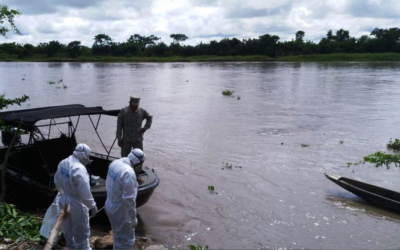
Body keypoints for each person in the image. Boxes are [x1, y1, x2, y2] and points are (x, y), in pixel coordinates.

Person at [54, 143, 98, 250]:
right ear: (83, 155)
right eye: (88, 156)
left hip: (64, 200)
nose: (88, 159)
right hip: (77, 204)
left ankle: (71, 247)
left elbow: (56, 181)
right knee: (82, 232)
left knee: (67, 230)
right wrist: (92, 206)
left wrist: (64, 193)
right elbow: (85, 193)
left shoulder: (63, 162)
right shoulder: (79, 169)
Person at [105, 148, 145, 249]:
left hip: (109, 204)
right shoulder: (128, 173)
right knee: (127, 241)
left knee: (118, 236)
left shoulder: (115, 163)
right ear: (139, 163)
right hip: (121, 211)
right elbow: (129, 200)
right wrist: (132, 219)